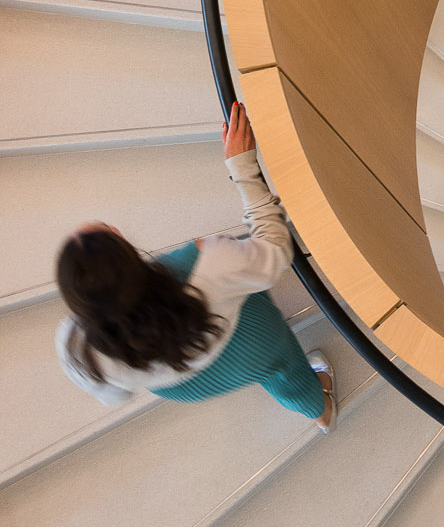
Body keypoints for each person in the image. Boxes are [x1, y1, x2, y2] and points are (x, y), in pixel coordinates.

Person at [55, 101, 336, 432]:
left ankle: (320, 417)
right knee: (283, 366)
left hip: (185, 384)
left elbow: (115, 395)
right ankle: (322, 409)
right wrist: (242, 167)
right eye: (110, 234)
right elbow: (275, 251)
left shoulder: (74, 347)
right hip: (252, 341)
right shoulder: (208, 262)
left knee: (268, 371)